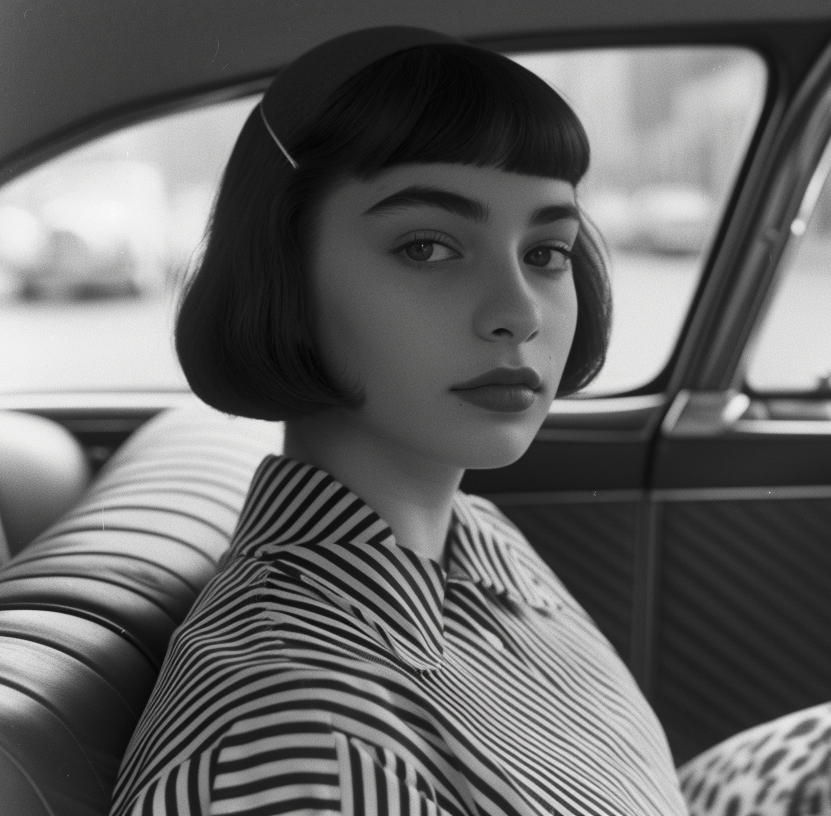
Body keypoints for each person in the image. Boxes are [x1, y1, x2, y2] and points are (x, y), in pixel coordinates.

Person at [112, 27, 686, 816]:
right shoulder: (297, 743)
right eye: (426, 246)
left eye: (547, 252)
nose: (518, 312)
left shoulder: (480, 538)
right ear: (282, 272)